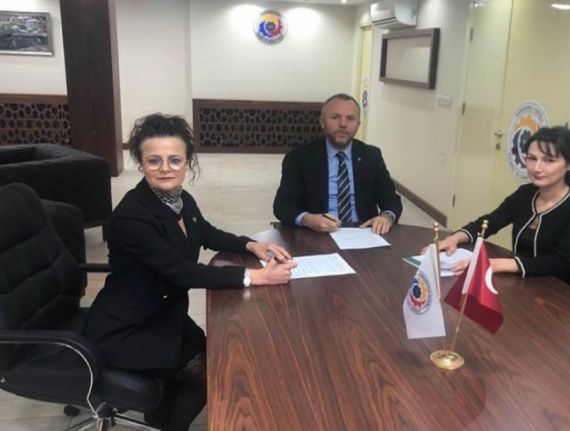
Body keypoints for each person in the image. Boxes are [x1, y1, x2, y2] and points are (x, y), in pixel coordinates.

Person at [82, 113, 297, 431]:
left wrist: (251, 245)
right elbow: (182, 272)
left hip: (163, 312)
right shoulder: (132, 216)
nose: (165, 168)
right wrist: (258, 277)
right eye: (154, 160)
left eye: (174, 160)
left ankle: (161, 415)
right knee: (207, 374)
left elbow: (206, 233)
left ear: (187, 162)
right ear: (141, 163)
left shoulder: (179, 200)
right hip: (128, 326)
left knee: (218, 354)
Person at [438, 126, 570, 278]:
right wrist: (455, 238)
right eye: (532, 158)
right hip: (521, 279)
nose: (536, 168)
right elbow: (490, 222)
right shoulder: (526, 193)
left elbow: (561, 262)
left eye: (549, 160)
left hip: (561, 289)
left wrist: (495, 264)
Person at [273, 93, 402, 234]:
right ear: (322, 122)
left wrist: (386, 217)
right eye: (335, 117)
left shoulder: (371, 156)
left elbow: (391, 200)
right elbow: (283, 206)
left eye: (350, 119)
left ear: (358, 125)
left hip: (363, 232)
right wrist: (307, 219)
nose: (343, 124)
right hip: (317, 233)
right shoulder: (299, 157)